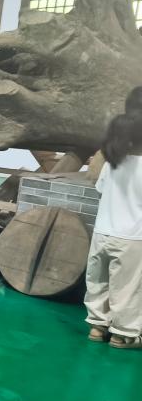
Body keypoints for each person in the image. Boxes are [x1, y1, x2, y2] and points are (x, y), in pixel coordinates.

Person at [85, 86, 142, 349]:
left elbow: (100, 189)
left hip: (102, 233)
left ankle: (97, 327)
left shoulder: (111, 163)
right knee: (127, 288)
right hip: (132, 238)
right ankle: (123, 334)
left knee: (98, 283)